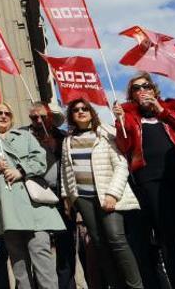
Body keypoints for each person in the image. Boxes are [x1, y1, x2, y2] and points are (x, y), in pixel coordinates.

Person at [0, 101, 65, 289]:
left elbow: (41, 160)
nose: (3, 116)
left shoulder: (26, 137)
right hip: (7, 209)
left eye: (8, 114)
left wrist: (20, 170)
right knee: (19, 266)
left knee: (42, 260)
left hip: (34, 208)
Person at [115, 73, 175, 289]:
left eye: (146, 86)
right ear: (132, 95)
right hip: (150, 181)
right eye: (136, 88)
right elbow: (124, 146)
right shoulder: (129, 116)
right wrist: (120, 121)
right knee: (168, 237)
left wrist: (162, 111)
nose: (142, 90)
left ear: (154, 90)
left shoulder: (171, 108)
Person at [59, 98, 143, 288]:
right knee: (99, 244)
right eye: (76, 110)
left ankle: (136, 285)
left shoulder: (105, 133)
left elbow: (121, 165)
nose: (80, 111)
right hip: (82, 198)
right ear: (71, 116)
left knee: (116, 239)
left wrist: (112, 194)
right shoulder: (67, 140)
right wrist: (68, 197)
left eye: (85, 108)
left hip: (107, 196)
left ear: (91, 112)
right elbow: (66, 170)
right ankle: (116, 285)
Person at [28, 102, 77, 289]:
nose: (39, 120)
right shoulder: (25, 136)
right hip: (35, 198)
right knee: (37, 246)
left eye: (43, 116)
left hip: (60, 197)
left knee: (66, 245)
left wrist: (56, 147)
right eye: (34, 117)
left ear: (50, 117)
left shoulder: (63, 137)